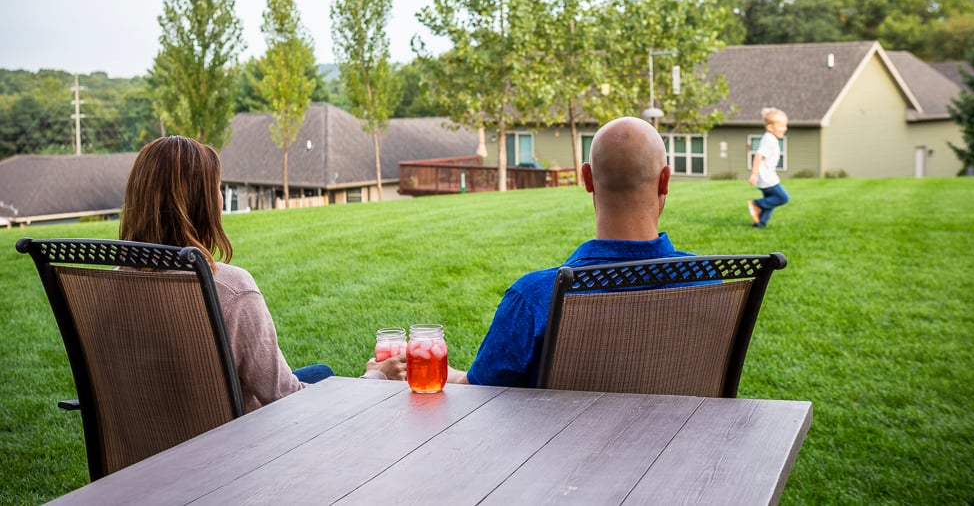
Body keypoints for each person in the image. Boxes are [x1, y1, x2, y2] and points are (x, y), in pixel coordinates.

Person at [371, 116, 692, 387]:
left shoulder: (536, 298)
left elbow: (483, 393)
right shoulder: (704, 281)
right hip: (673, 456)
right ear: (665, 180)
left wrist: (440, 374)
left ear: (587, 179)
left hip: (568, 461)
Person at [120, 135, 390, 411]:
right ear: (203, 204)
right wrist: (374, 377)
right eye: (217, 187)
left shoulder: (109, 284)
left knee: (320, 372)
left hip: (144, 446)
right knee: (320, 379)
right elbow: (285, 397)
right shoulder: (229, 289)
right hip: (225, 445)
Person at [747, 107, 790, 228]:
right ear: (770, 127)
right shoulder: (769, 140)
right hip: (766, 178)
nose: (785, 128)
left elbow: (768, 161)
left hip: (768, 176)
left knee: (770, 201)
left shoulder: (770, 139)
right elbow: (758, 156)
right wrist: (754, 174)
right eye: (781, 126)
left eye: (785, 125)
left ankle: (760, 223)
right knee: (783, 198)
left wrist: (774, 174)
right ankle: (756, 204)